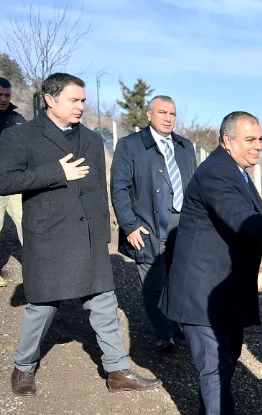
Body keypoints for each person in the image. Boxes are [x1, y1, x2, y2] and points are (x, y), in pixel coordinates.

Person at [0, 72, 162, 396]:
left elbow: (98, 191)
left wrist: (102, 234)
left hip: (87, 237)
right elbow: (4, 181)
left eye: (83, 100)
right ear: (49, 99)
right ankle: (23, 367)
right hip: (48, 236)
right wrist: (56, 172)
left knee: (104, 303)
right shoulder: (21, 137)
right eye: (73, 100)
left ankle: (117, 371)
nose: (81, 106)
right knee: (42, 307)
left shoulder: (91, 139)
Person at [161, 111, 262, 415]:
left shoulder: (236, 170)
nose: (257, 146)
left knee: (228, 357)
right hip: (202, 290)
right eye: (249, 139)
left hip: (226, 287)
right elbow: (245, 221)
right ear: (227, 140)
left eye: (260, 139)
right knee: (214, 366)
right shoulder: (216, 173)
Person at [111, 95, 197, 353]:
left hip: (183, 225)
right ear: (149, 114)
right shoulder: (131, 145)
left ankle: (173, 324)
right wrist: (129, 224)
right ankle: (164, 334)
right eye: (162, 113)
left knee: (178, 281)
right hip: (148, 225)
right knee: (154, 284)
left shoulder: (185, 146)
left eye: (172, 113)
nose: (168, 118)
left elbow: (194, 186)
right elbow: (119, 188)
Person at [0, 76, 26, 287]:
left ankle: (36, 267)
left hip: (16, 183)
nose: (3, 99)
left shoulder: (18, 120)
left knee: (27, 223)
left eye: (6, 95)